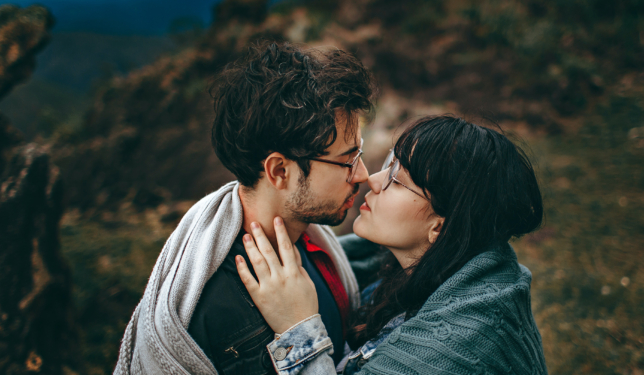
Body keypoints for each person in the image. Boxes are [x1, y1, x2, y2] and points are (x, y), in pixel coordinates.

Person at [113, 41, 376, 375]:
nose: (363, 174)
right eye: (346, 161)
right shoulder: (219, 306)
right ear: (279, 171)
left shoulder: (314, 244)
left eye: (360, 154)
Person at [236, 115, 549, 374]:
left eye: (398, 180)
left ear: (440, 226)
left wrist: (298, 327)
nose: (372, 180)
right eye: (390, 162)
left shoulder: (456, 349)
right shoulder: (408, 273)